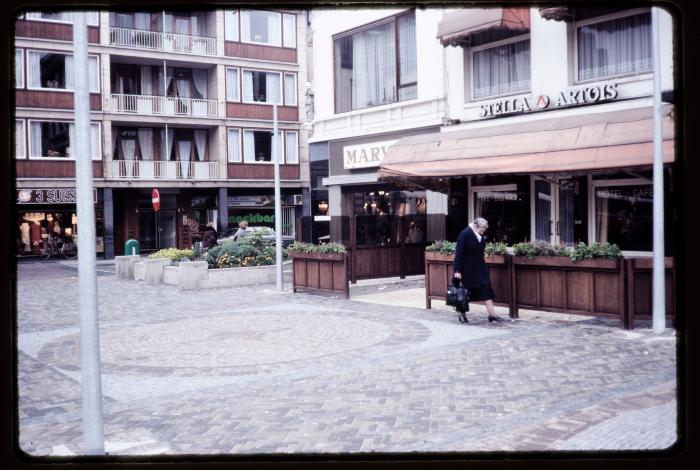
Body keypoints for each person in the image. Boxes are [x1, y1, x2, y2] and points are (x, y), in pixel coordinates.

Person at [453, 217, 504, 323]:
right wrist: (457, 271)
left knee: (486, 289)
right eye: (482, 229)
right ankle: (462, 314)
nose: (484, 231)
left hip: (480, 268)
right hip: (467, 270)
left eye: (484, 229)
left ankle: (492, 315)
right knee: (464, 293)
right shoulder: (465, 234)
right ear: (476, 226)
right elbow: (459, 254)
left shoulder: (480, 235)